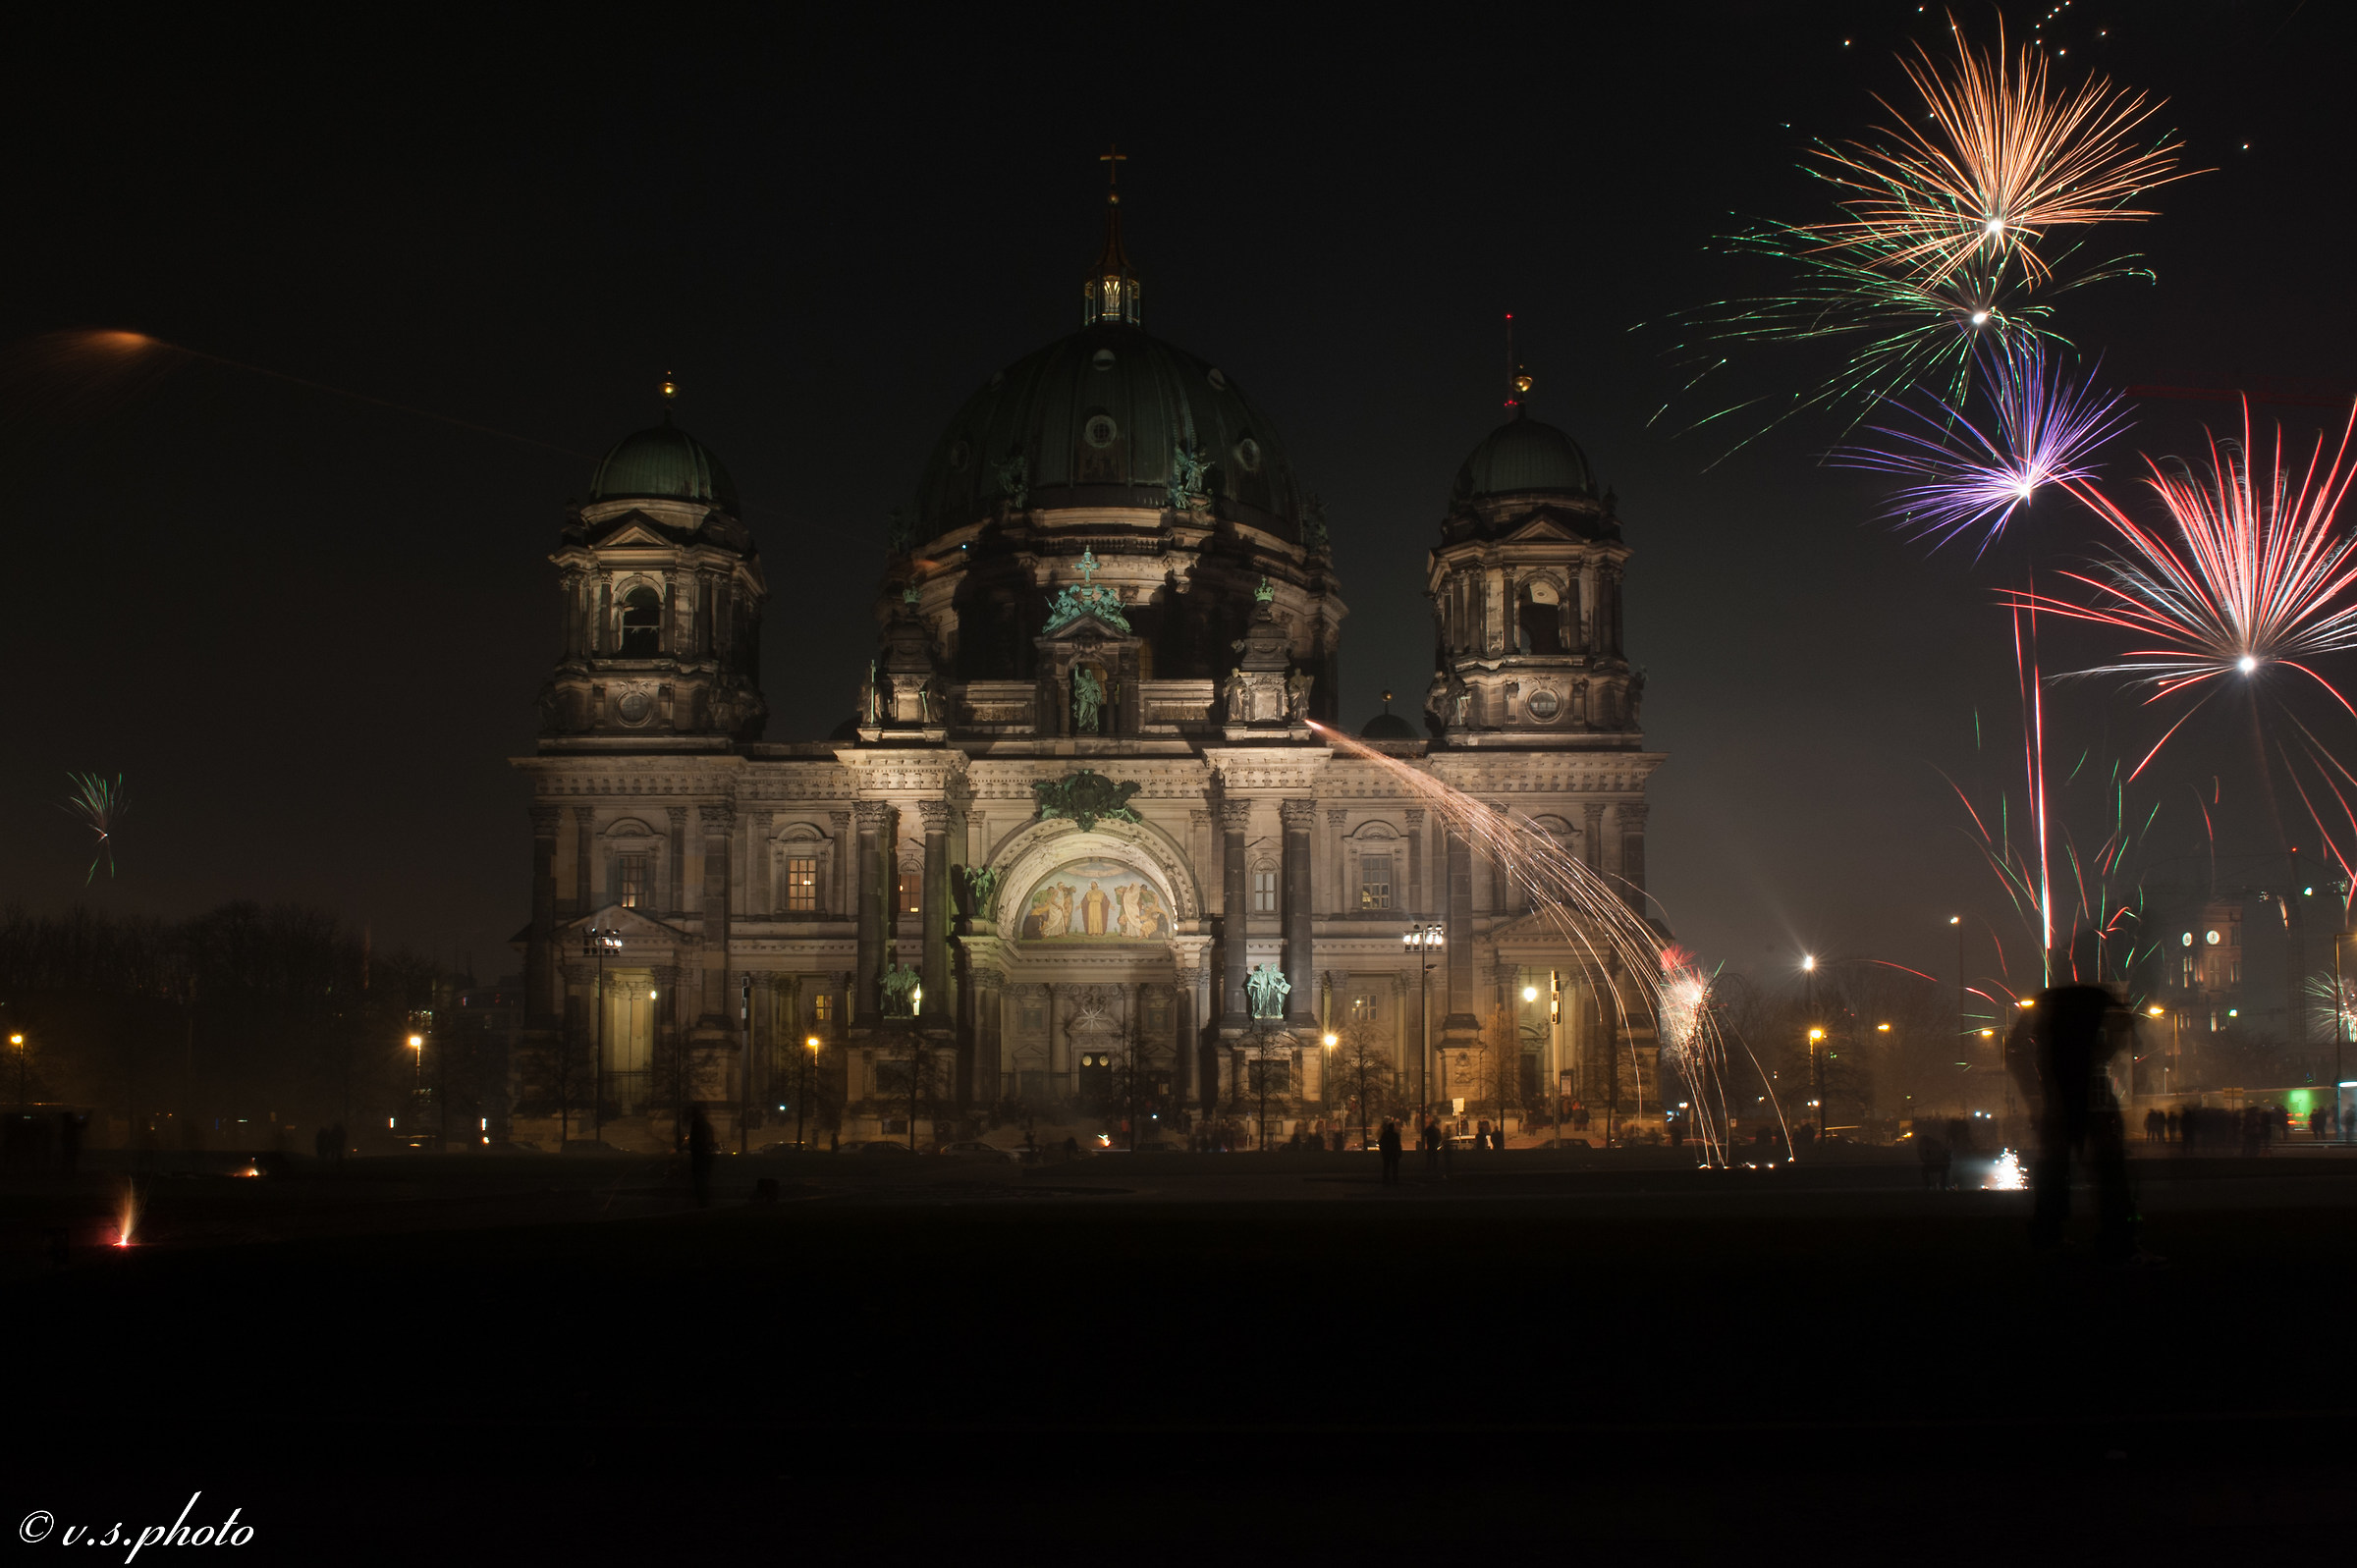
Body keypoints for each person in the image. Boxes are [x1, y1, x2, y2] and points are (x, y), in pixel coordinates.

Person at [2002, 931, 2151, 1263]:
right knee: (2108, 1171)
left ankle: (2048, 1235)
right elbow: (2123, 1034)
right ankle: (2117, 1241)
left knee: (2055, 1169)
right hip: (2092, 1099)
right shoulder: (2101, 1001)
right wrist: (2100, 1058)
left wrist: (2036, 1093)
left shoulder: (2047, 1005)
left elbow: (2015, 1050)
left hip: (2058, 1099)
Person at [688, 1108, 716, 1209]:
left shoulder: (697, 1124)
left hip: (699, 1155)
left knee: (700, 1181)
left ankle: (702, 1203)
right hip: (704, 1155)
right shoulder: (706, 1125)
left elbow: (695, 1141)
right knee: (704, 1180)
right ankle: (704, 1203)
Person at [1378, 1117, 1402, 1186]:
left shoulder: (1385, 1134)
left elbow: (1381, 1143)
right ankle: (1395, 1180)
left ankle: (1386, 1180)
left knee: (1386, 1167)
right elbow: (1398, 1144)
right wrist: (1399, 1152)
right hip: (1394, 1153)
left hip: (1387, 1153)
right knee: (1395, 1167)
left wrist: (1382, 1151)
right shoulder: (1395, 1135)